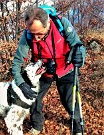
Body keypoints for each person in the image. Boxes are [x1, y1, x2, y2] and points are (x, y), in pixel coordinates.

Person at [12, 6, 86, 135]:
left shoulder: (61, 24)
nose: (36, 38)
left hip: (66, 68)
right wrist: (21, 83)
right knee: (33, 98)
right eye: (32, 33)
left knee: (70, 101)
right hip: (42, 71)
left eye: (39, 33)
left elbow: (77, 45)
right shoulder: (28, 35)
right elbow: (17, 61)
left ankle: (78, 128)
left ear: (48, 24)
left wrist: (80, 56)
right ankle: (37, 126)